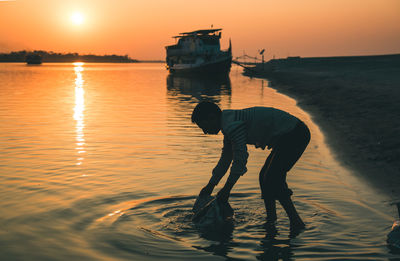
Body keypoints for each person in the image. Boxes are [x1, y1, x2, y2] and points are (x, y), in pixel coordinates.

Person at [191, 101, 311, 230]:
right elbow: (225, 159)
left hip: (295, 133)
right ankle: (271, 219)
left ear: (212, 117)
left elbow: (240, 160)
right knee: (264, 177)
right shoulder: (228, 124)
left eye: (203, 126)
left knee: (272, 178)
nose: (204, 132)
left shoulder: (232, 126)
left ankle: (296, 221)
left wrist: (227, 189)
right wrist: (210, 185)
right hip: (287, 136)